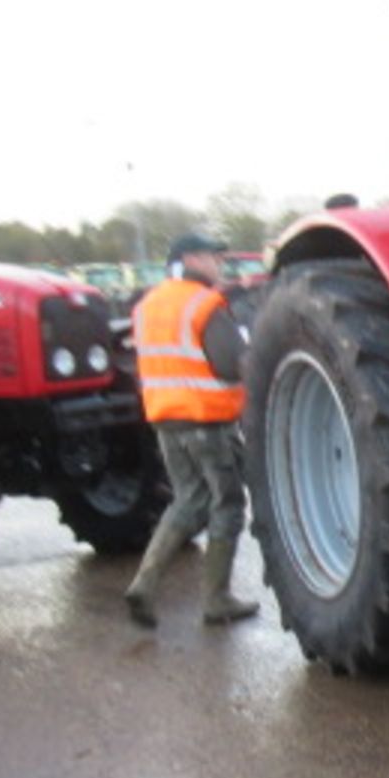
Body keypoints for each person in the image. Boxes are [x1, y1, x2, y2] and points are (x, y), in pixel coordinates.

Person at [122, 230, 259, 628]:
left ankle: (145, 584)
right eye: (213, 257)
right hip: (207, 420)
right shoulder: (203, 304)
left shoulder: (148, 305)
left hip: (165, 418)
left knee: (187, 500)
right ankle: (217, 600)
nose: (219, 264)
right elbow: (230, 363)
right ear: (191, 259)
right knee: (227, 503)